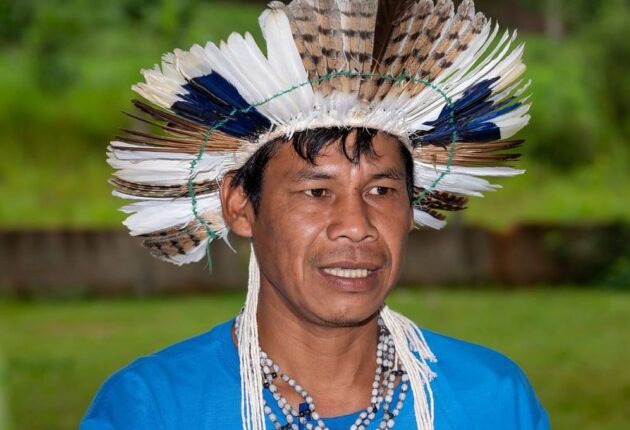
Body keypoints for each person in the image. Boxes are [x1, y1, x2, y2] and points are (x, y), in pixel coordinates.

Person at [82, 1, 549, 429]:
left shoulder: (493, 399)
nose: (356, 226)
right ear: (240, 206)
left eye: (382, 189)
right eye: (316, 190)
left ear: (412, 208)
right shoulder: (153, 409)